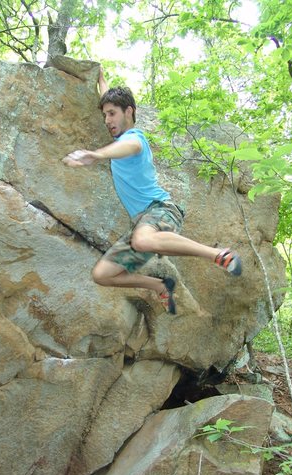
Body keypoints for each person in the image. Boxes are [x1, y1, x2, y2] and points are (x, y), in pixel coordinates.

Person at [62, 69, 242, 315]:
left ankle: (218, 254)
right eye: (104, 115)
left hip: (160, 211)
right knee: (102, 274)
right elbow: (109, 98)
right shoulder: (120, 134)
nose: (107, 120)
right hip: (142, 224)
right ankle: (159, 286)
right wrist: (101, 79)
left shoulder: (135, 139)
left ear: (130, 112)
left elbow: (129, 146)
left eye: (112, 114)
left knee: (142, 239)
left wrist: (96, 154)